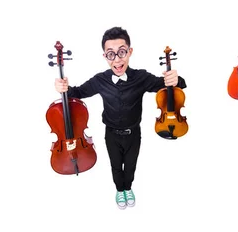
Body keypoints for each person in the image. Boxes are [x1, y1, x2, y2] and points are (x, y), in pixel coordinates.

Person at [54, 26, 187, 210]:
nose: (117, 59)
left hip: (134, 133)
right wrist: (63, 88)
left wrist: (176, 80)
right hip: (112, 134)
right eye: (111, 54)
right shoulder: (99, 80)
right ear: (105, 56)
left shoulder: (141, 77)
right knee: (116, 165)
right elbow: (78, 92)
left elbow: (166, 85)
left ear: (130, 52)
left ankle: (129, 188)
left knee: (131, 165)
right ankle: (119, 189)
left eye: (122, 52)